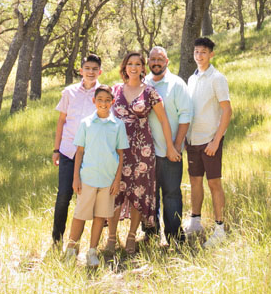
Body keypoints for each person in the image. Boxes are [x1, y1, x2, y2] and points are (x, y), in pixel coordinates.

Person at [105, 51, 181, 255]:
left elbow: (164, 120)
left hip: (142, 150)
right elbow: (103, 115)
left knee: (139, 193)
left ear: (142, 68)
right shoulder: (115, 90)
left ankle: (131, 236)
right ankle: (111, 237)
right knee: (115, 192)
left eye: (138, 64)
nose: (134, 67)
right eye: (130, 63)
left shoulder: (150, 92)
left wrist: (171, 146)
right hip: (118, 150)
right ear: (125, 66)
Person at [64, 84, 128, 267]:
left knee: (100, 216)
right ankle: (71, 249)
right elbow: (80, 151)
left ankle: (92, 251)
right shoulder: (86, 123)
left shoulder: (117, 125)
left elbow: (121, 154)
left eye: (108, 100)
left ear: (113, 102)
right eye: (100, 99)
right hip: (88, 178)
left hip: (107, 180)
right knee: (80, 215)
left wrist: (117, 180)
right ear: (94, 101)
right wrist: (76, 177)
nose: (103, 103)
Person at [184, 37, 232, 248]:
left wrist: (216, 141)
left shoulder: (217, 78)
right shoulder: (191, 79)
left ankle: (220, 228)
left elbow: (227, 110)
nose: (199, 56)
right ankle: (195, 221)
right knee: (195, 181)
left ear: (211, 54)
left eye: (203, 52)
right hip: (193, 140)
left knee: (214, 183)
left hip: (210, 141)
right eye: (196, 52)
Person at [142, 45, 192, 245]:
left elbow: (186, 115)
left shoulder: (177, 84)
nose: (156, 63)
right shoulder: (143, 83)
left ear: (167, 61)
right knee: (149, 196)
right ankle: (151, 235)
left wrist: (177, 145)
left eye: (160, 59)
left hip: (170, 151)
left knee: (171, 194)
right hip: (146, 153)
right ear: (148, 62)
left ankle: (174, 237)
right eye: (152, 59)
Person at [51, 54, 102, 246]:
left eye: (94, 69)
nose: (90, 72)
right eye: (87, 68)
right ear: (81, 71)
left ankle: (82, 241)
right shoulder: (69, 92)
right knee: (64, 195)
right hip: (67, 151)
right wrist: (56, 149)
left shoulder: (103, 94)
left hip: (90, 154)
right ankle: (57, 239)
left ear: (100, 72)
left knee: (89, 197)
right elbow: (61, 121)